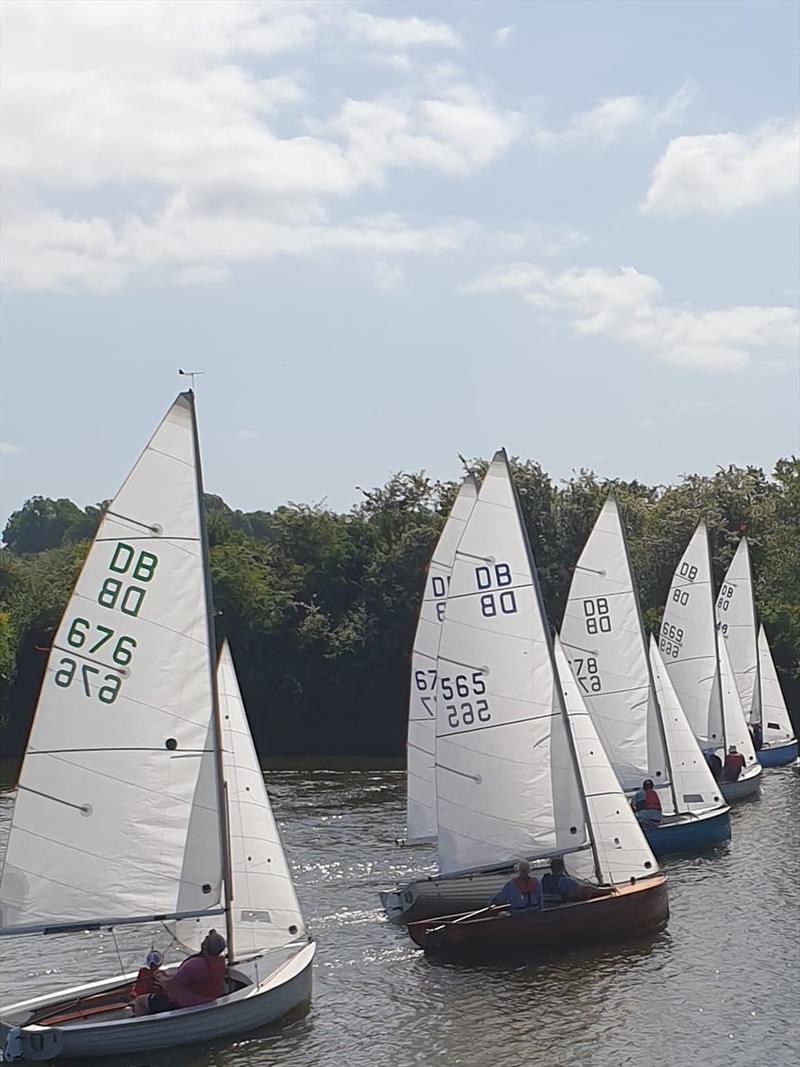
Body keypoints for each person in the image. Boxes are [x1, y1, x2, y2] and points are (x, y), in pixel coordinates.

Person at [134, 930, 227, 1016]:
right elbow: (187, 979)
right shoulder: (220, 962)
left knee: (139, 1001)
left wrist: (160, 977)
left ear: (205, 945)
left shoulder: (194, 964)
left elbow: (171, 985)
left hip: (183, 1003)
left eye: (206, 939)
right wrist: (168, 976)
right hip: (207, 1000)